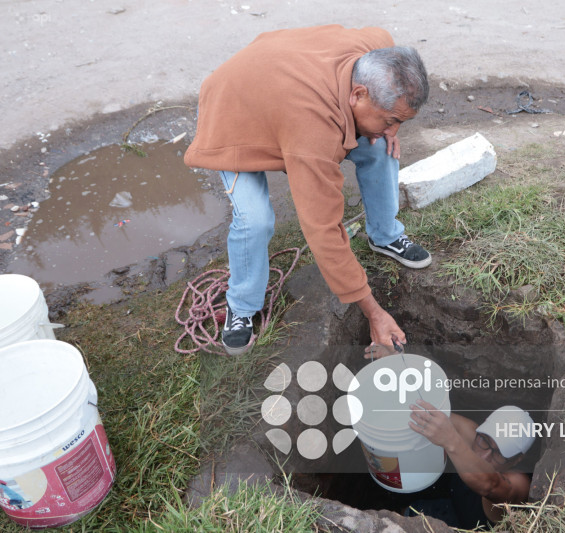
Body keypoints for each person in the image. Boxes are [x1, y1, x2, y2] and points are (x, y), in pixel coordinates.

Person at [184, 25, 431, 355]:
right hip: (232, 108)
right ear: (358, 94)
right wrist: (374, 313)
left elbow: (382, 34)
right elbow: (323, 229)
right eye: (390, 120)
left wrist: (388, 127)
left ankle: (384, 235)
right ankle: (241, 305)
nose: (394, 129)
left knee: (379, 147)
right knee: (255, 219)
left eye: (401, 121)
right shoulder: (314, 131)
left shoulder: (375, 52)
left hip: (276, 79)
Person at [408, 402, 534, 529]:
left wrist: (451, 440)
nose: (485, 456)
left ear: (517, 459)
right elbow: (431, 415)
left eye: (499, 453)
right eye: (485, 440)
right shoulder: (472, 435)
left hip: (468, 529)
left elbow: (491, 485)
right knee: (412, 507)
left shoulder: (520, 484)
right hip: (450, 507)